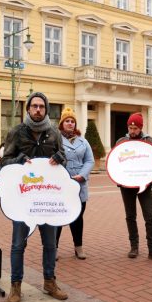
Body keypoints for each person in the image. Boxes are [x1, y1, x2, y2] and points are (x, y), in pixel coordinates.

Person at [1, 91, 68, 302]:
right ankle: (15, 286)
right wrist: (17, 161)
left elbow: (64, 160)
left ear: (46, 110)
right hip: (23, 200)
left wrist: (60, 158)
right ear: (28, 109)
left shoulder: (54, 133)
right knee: (18, 245)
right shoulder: (17, 132)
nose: (38, 109)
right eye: (34, 106)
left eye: (41, 106)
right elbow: (4, 161)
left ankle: (49, 282)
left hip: (48, 199)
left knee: (50, 244)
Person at [116, 112, 152, 263]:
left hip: (144, 186)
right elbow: (116, 163)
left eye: (135, 128)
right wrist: (119, 179)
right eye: (130, 128)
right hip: (126, 186)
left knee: (150, 216)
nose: (132, 131)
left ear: (141, 128)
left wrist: (150, 180)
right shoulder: (121, 141)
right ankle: (134, 247)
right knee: (130, 216)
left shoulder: (149, 141)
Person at [56, 107, 95, 260]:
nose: (70, 123)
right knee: (58, 218)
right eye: (67, 121)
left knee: (78, 218)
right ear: (62, 124)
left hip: (79, 185)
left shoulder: (83, 141)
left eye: (72, 121)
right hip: (62, 186)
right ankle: (54, 248)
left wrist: (82, 175)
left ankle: (78, 247)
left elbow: (90, 160)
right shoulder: (56, 139)